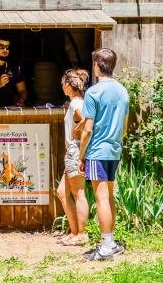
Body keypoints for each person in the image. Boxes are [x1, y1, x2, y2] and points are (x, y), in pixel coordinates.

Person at [78, 48, 129, 261]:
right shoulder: (123, 91)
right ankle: (111, 242)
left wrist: (81, 156)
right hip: (114, 150)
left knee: (101, 199)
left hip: (97, 151)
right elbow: (125, 128)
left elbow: (87, 129)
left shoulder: (94, 92)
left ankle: (106, 247)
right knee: (108, 197)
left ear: (97, 66)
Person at [56, 69, 90, 246]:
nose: (62, 86)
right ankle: (74, 231)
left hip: (76, 151)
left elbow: (86, 119)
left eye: (63, 83)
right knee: (62, 192)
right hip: (72, 152)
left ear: (68, 85)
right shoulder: (75, 103)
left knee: (79, 193)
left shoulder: (77, 103)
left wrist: (77, 130)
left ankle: (82, 234)